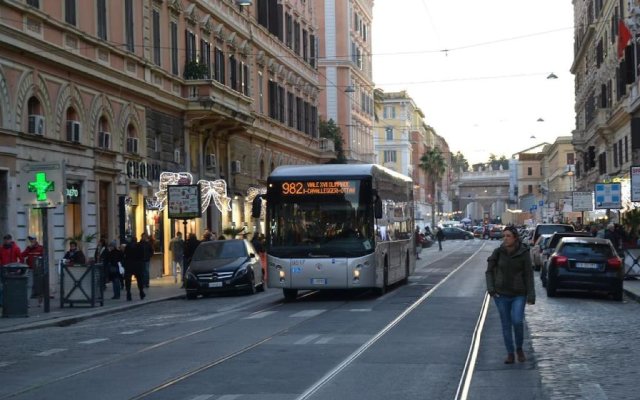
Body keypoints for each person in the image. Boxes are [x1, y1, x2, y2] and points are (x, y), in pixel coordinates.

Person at [485, 226, 535, 364]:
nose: (505, 239)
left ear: (515, 238)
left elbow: (529, 275)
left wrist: (531, 295)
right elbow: (489, 271)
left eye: (508, 236)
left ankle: (519, 348)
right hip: (501, 294)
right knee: (506, 324)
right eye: (504, 236)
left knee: (517, 321)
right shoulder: (498, 252)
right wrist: (491, 289)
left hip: (519, 293)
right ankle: (510, 353)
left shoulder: (523, 252)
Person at [1, 234, 24, 307]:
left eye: (7, 240)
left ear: (10, 240)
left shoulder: (15, 248)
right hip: (3, 269)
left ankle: (11, 301)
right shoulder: (1, 248)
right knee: (2, 286)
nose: (6, 241)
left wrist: (19, 268)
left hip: (13, 270)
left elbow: (21, 258)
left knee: (12, 287)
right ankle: (2, 302)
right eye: (5, 240)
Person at [21, 235, 44, 304]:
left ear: (35, 240)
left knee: (38, 286)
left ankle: (40, 301)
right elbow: (22, 255)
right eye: (30, 240)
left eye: (32, 239)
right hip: (30, 269)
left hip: (38, 270)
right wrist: (29, 249)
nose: (31, 241)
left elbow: (44, 258)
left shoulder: (40, 248)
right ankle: (27, 301)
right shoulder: (28, 248)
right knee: (29, 285)